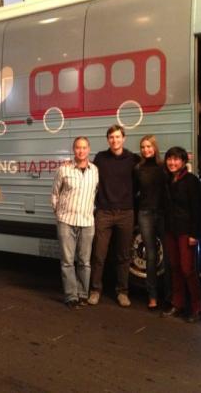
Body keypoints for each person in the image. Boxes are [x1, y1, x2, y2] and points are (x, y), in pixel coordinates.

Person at [88, 124, 140, 307]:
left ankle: (122, 292)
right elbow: (89, 175)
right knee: (98, 255)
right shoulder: (100, 158)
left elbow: (143, 177)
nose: (115, 140)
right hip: (104, 212)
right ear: (108, 140)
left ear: (123, 138)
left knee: (123, 256)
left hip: (126, 213)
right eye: (111, 137)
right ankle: (95, 290)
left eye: (118, 137)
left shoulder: (133, 159)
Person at [51, 136, 99, 310]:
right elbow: (55, 194)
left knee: (85, 261)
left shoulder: (95, 170)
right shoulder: (63, 170)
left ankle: (83, 294)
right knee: (67, 261)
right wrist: (59, 214)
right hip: (66, 221)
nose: (81, 150)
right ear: (73, 150)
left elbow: (96, 193)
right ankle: (71, 296)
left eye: (84, 147)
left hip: (87, 222)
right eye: (78, 147)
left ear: (89, 149)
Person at [160, 146, 201, 323]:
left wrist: (195, 234)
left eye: (176, 159)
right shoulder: (168, 179)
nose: (172, 162)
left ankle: (196, 307)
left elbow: (197, 208)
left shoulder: (191, 180)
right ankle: (178, 304)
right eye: (169, 159)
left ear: (184, 161)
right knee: (175, 268)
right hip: (171, 230)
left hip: (186, 231)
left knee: (187, 269)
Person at [134, 135, 168, 310]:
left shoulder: (164, 167)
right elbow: (134, 191)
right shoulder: (138, 168)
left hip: (163, 214)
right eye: (143, 147)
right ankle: (152, 296)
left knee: (168, 256)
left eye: (148, 146)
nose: (146, 150)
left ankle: (169, 296)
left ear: (154, 147)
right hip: (145, 214)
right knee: (151, 256)